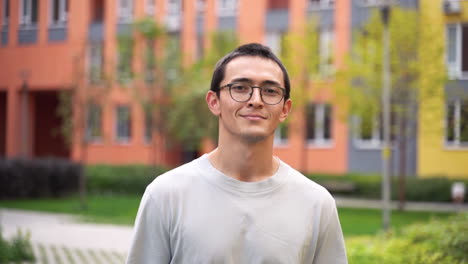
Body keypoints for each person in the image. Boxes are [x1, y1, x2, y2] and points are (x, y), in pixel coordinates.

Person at [126, 43, 347, 264]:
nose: (256, 100)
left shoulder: (316, 204)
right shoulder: (166, 195)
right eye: (240, 88)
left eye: (270, 91)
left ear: (285, 109)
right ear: (214, 102)